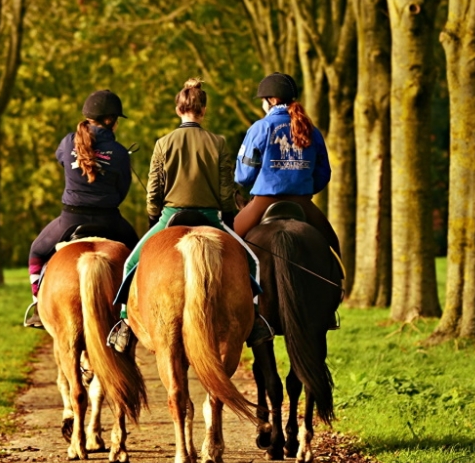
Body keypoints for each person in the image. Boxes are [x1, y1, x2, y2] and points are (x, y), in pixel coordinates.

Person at [111, 78, 269, 350]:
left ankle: (125, 323)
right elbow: (225, 187)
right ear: (203, 110)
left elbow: (154, 188)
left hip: (171, 214)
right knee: (252, 261)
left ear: (178, 110)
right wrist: (228, 216)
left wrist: (154, 216)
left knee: (130, 265)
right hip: (210, 216)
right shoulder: (217, 142)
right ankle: (254, 319)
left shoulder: (163, 142)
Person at [24, 89, 139, 328]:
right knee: (139, 255)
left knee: (37, 251)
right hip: (110, 220)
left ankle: (37, 304)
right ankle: (134, 310)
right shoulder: (118, 152)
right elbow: (122, 191)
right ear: (110, 121)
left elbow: (61, 160)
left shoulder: (68, 142)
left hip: (69, 219)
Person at [234, 72, 340, 257]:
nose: (262, 104)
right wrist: (304, 186)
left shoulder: (261, 127)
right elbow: (323, 172)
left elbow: (244, 175)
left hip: (264, 201)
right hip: (302, 201)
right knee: (334, 249)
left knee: (228, 244)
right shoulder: (312, 130)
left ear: (272, 100)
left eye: (263, 100)